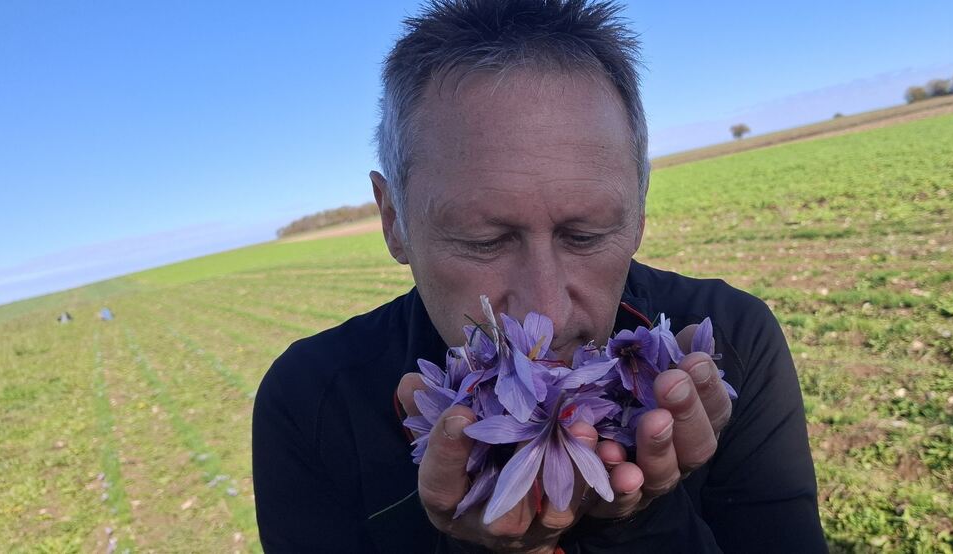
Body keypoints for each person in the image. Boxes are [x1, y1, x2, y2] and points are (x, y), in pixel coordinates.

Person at [251, 1, 825, 551]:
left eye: (587, 234)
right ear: (393, 219)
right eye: (483, 240)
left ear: (639, 210)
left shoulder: (732, 338)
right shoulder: (309, 402)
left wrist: (636, 522)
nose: (545, 316)